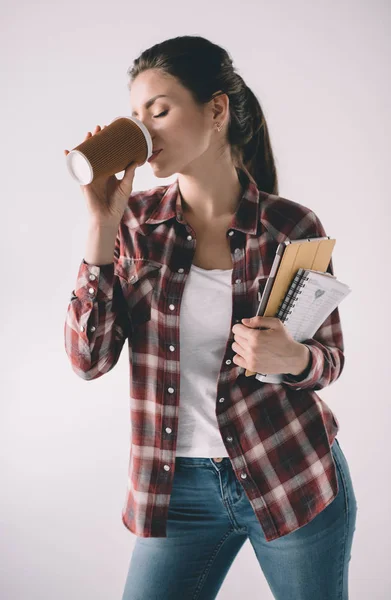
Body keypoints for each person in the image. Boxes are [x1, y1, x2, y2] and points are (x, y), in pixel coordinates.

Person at [64, 35, 358, 600]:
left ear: (216, 110)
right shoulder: (134, 227)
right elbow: (87, 360)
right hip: (177, 492)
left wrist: (292, 358)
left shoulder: (289, 227)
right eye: (135, 116)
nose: (145, 132)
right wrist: (102, 227)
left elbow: (329, 360)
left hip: (288, 472)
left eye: (161, 110)